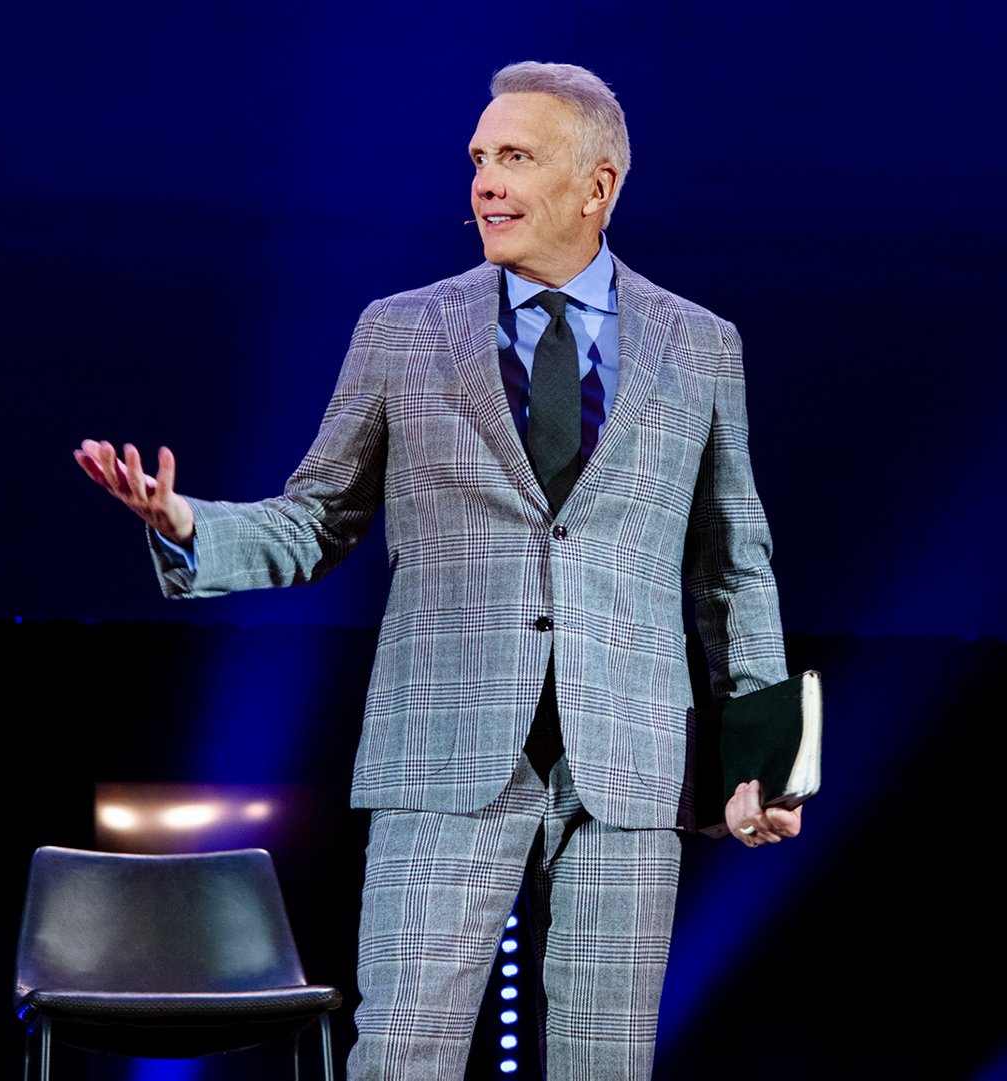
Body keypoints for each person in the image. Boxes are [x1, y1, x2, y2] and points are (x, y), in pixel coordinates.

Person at [75, 61, 801, 1079]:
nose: (485, 181)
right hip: (443, 752)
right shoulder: (403, 331)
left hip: (632, 764)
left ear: (596, 185)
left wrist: (765, 758)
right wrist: (188, 522)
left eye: (516, 157)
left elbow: (734, 563)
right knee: (402, 1056)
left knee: (605, 1063)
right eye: (479, 158)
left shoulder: (699, 345)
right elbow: (316, 518)